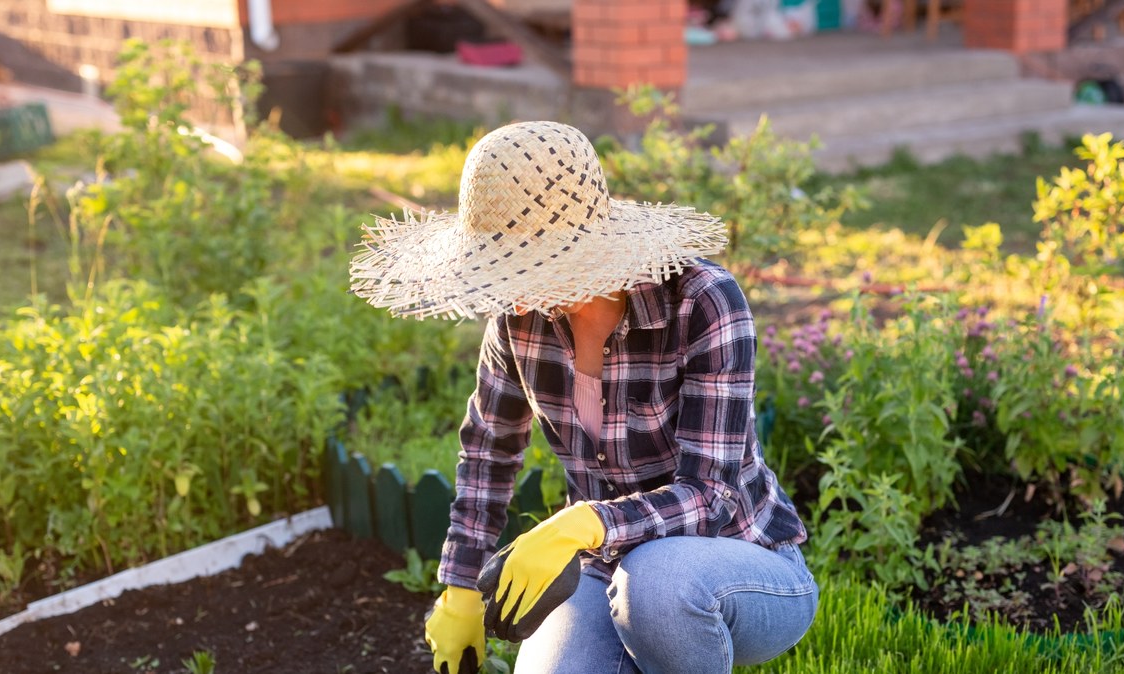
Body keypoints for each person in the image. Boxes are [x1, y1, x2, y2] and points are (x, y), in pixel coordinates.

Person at [350, 120, 817, 674]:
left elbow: (709, 494)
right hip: (603, 568)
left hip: (737, 564)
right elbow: (489, 450)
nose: (501, 287)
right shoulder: (519, 318)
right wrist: (459, 587)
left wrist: (582, 523)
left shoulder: (701, 302)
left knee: (656, 588)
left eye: (515, 265)